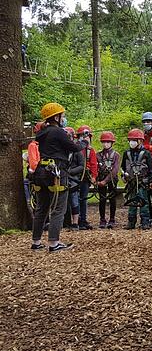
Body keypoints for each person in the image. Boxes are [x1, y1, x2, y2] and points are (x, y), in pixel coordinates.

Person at [30, 102, 81, 252]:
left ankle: (36, 241)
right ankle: (54, 243)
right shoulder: (58, 132)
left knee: (41, 208)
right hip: (56, 172)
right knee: (59, 208)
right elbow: (74, 148)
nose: (64, 118)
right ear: (56, 117)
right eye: (62, 116)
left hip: (41, 172)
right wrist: (83, 142)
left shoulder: (41, 133)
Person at [122, 128, 152, 230]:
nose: (132, 142)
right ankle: (131, 222)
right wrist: (123, 176)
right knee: (132, 201)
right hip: (131, 182)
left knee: (144, 201)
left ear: (140, 141)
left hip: (142, 181)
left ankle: (145, 221)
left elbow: (151, 169)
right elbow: (123, 167)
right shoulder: (126, 153)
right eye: (131, 140)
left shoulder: (146, 153)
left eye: (134, 140)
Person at [96, 131, 120, 229]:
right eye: (104, 142)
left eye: (108, 142)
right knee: (102, 199)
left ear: (111, 143)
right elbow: (96, 168)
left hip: (112, 180)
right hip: (101, 179)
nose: (106, 144)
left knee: (112, 199)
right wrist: (98, 180)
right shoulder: (98, 155)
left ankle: (112, 219)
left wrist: (105, 181)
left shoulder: (116, 155)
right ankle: (102, 219)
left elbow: (115, 170)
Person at [75, 125, 97, 230]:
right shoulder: (75, 149)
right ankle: (75, 220)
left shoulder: (90, 150)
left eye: (87, 136)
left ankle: (83, 220)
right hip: (75, 176)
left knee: (83, 199)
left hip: (85, 177)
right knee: (75, 199)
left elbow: (94, 164)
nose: (85, 138)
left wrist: (93, 176)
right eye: (83, 136)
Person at [63, 127, 84, 230]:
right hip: (62, 178)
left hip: (73, 179)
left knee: (74, 200)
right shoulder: (60, 151)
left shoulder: (77, 151)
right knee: (63, 201)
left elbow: (81, 166)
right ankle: (65, 222)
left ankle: (75, 222)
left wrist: (70, 172)